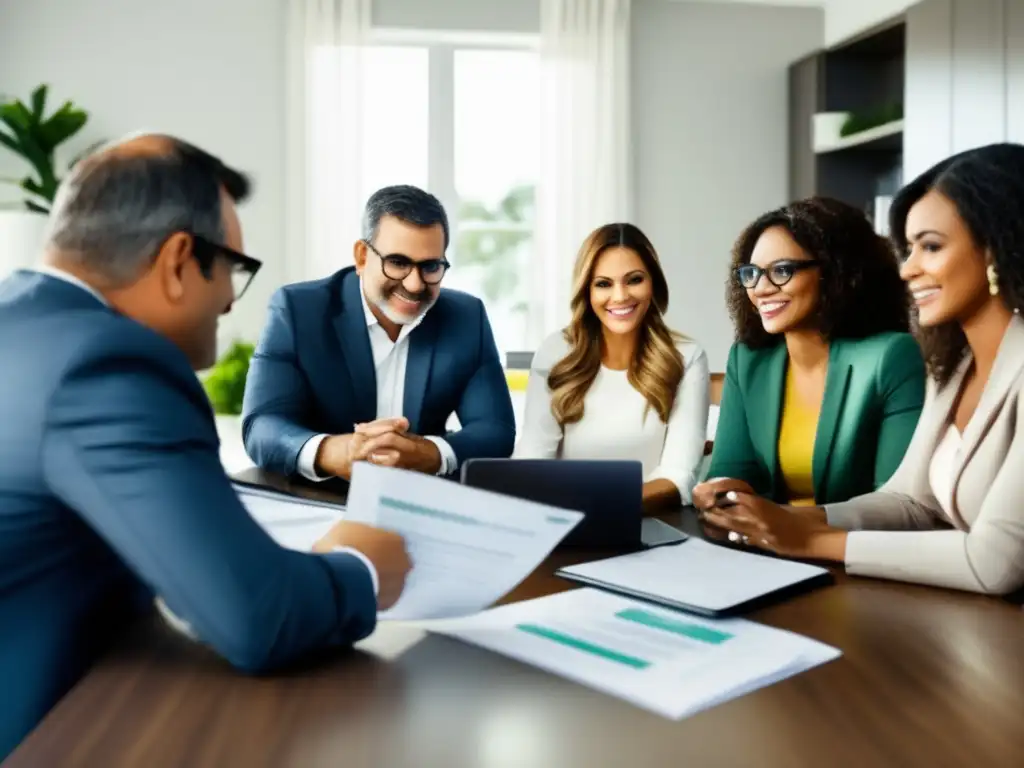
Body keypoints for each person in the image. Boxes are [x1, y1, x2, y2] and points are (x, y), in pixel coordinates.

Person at [0, 134, 411, 759]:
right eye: (232, 268)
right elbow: (256, 617)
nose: (227, 297)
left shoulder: (21, 326)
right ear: (178, 259)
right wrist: (361, 567)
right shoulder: (109, 366)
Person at [704, 144, 1024, 596]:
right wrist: (787, 519)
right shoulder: (953, 366)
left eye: (930, 246)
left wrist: (817, 538)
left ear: (996, 248)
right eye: (908, 248)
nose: (908, 268)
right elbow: (909, 502)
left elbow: (996, 562)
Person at [242, 185, 515, 483]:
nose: (414, 284)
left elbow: (495, 430)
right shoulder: (297, 310)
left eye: (430, 266)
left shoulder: (465, 317)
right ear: (361, 257)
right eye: (397, 263)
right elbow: (262, 425)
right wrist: (335, 452)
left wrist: (428, 453)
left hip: (419, 501)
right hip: (318, 500)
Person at [694, 197, 925, 511]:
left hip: (850, 551)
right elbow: (733, 471)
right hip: (763, 548)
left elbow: (895, 504)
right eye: (752, 273)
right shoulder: (748, 359)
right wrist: (720, 492)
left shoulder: (891, 357)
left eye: (782, 270)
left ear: (835, 272)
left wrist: (785, 525)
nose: (760, 288)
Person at [514, 222, 710, 510]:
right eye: (603, 284)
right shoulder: (556, 352)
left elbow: (678, 476)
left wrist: (604, 507)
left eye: (634, 280)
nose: (620, 296)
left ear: (653, 281)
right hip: (564, 522)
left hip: (648, 519)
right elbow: (531, 464)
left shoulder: (687, 357)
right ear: (587, 291)